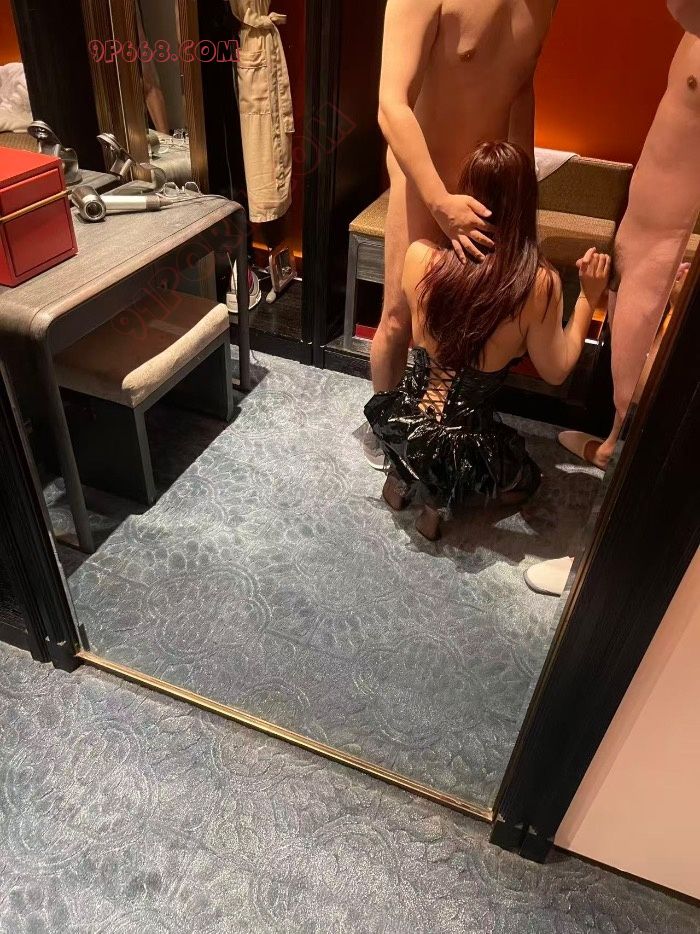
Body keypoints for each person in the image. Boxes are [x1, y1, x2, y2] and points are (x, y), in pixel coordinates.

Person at [364, 142, 611, 541]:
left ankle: (406, 475)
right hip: (465, 442)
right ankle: (438, 499)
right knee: (527, 481)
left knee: (424, 412)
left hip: (406, 417)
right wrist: (587, 296)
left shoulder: (420, 255)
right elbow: (557, 370)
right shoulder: (536, 284)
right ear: (526, 204)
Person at [362, 0, 558, 468]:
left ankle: (442, 431)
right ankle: (386, 433)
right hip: (423, 180)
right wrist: (437, 200)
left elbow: (522, 90)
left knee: (469, 320)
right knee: (398, 316)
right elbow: (391, 105)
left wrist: (520, 196)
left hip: (486, 189)